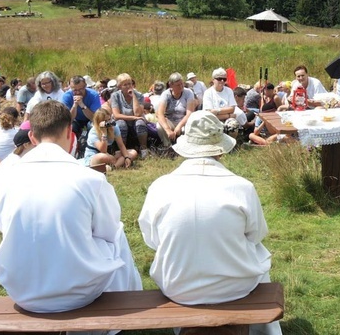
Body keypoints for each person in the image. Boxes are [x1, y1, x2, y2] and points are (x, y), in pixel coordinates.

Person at [0, 100, 143, 313]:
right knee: (118, 235)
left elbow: (2, 225)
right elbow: (108, 231)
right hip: (79, 293)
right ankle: (123, 308)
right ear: (71, 135)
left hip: (22, 292)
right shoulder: (90, 179)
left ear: (32, 136)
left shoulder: (5, 177)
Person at [138, 110, 282, 335]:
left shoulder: (160, 186)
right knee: (259, 254)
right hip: (235, 287)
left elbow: (152, 239)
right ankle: (264, 332)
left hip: (177, 286)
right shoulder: (242, 187)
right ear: (221, 151)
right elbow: (255, 235)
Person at [109, 73, 149, 157]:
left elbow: (138, 113)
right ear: (120, 87)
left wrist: (133, 96)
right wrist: (133, 117)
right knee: (121, 123)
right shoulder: (115, 96)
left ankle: (144, 149)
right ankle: (123, 150)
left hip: (135, 122)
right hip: (123, 120)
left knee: (140, 123)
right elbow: (116, 115)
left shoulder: (139, 95)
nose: (128, 86)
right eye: (125, 85)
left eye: (130, 84)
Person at [156, 73, 196, 147]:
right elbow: (160, 113)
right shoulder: (165, 94)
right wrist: (167, 129)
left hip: (184, 121)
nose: (181, 86)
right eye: (178, 85)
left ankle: (185, 145)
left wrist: (179, 126)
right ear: (171, 85)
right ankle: (168, 145)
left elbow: (189, 113)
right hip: (170, 121)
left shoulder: (188, 93)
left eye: (182, 84)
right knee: (159, 125)